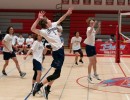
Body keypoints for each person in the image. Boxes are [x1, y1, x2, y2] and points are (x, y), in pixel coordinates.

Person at [31, 8, 72, 99]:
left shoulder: (53, 24)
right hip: (57, 52)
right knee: (57, 74)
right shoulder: (44, 32)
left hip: (60, 51)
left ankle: (47, 88)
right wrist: (38, 19)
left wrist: (67, 13)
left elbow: (61, 19)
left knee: (56, 73)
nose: (50, 20)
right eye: (48, 20)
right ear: (46, 23)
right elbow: (32, 29)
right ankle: (39, 85)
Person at [84, 18, 101, 83]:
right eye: (91, 23)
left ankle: (95, 74)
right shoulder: (89, 28)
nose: (92, 23)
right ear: (89, 23)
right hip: (89, 46)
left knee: (95, 61)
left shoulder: (93, 28)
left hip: (93, 46)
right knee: (91, 62)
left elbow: (95, 32)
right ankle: (88, 77)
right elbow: (90, 31)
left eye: (93, 22)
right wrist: (94, 25)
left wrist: (98, 27)